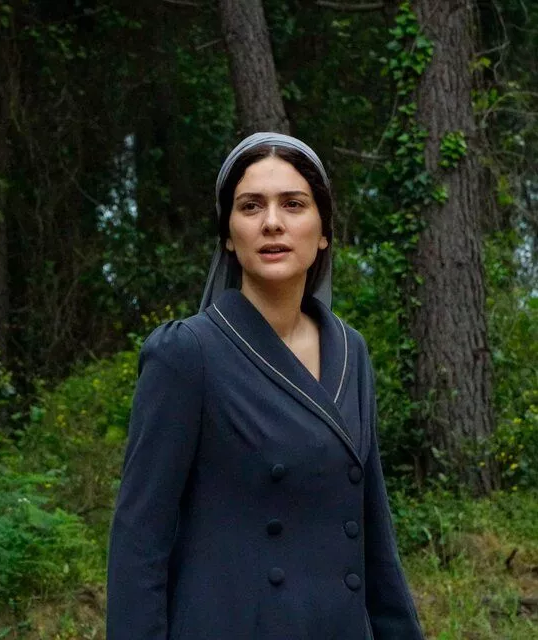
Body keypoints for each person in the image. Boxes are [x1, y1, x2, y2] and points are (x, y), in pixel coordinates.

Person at [106, 133, 424, 640]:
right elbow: (139, 540)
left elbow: (371, 528)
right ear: (229, 236)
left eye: (293, 204)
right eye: (250, 206)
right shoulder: (187, 354)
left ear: (323, 231)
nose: (272, 222)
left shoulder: (350, 349)